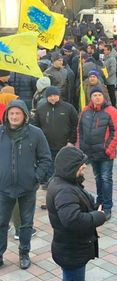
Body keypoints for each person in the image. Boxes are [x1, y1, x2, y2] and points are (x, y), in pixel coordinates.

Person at [0, 100, 51, 269]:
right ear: (7, 115)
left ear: (25, 115)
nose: (14, 117)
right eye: (11, 113)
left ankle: (24, 253)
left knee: (26, 223)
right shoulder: (0, 132)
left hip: (27, 188)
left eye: (17, 113)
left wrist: (35, 177)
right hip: (3, 189)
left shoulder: (36, 133)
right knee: (1, 223)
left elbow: (45, 159)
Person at [46, 146, 106, 281]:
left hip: (69, 249)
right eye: (81, 164)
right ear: (70, 167)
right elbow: (73, 220)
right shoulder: (64, 190)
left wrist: (92, 207)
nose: (84, 166)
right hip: (72, 252)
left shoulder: (66, 182)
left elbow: (79, 201)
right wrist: (98, 217)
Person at [78, 87, 117, 220]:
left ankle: (107, 206)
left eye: (99, 95)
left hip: (105, 154)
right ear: (90, 97)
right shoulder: (85, 111)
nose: (97, 97)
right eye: (94, 95)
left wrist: (108, 149)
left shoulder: (111, 111)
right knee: (98, 178)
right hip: (91, 153)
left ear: (103, 97)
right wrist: (81, 148)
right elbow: (80, 131)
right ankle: (100, 202)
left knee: (106, 179)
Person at [33, 86, 78, 208]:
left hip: (64, 147)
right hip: (47, 148)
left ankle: (64, 200)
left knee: (63, 175)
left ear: (59, 95)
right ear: (46, 97)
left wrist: (71, 141)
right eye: (50, 96)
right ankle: (51, 201)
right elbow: (36, 126)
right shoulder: (41, 109)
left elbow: (75, 125)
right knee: (51, 176)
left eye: (55, 95)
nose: (53, 98)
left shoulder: (68, 108)